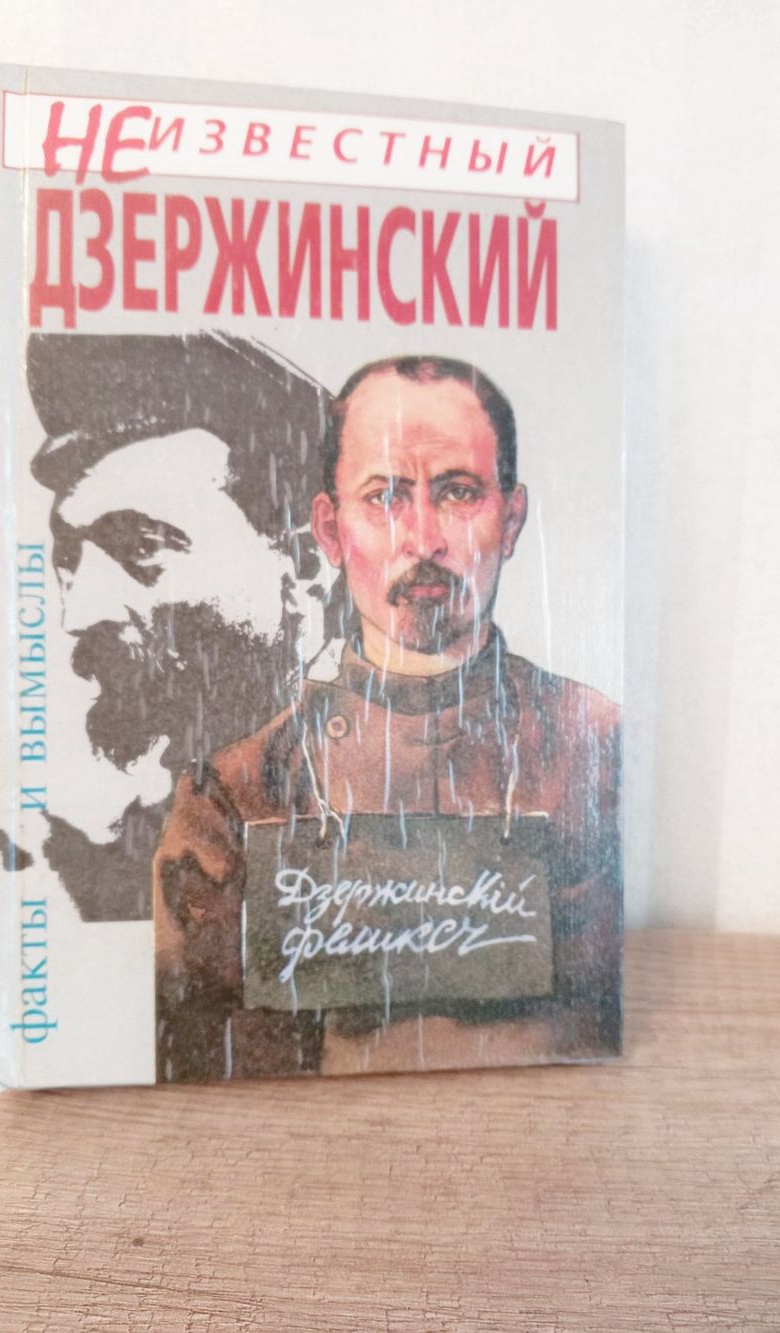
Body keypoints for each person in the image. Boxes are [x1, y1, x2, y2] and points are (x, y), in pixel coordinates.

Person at [154, 355, 621, 1081]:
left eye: (459, 492)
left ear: (511, 519)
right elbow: (205, 1057)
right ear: (330, 529)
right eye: (385, 497)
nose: (423, 538)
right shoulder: (237, 797)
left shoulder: (599, 747)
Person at [0, 332, 336, 920]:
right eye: (68, 561)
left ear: (304, 570)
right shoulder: (63, 871)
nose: (79, 615)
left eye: (141, 547)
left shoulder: (397, 809)